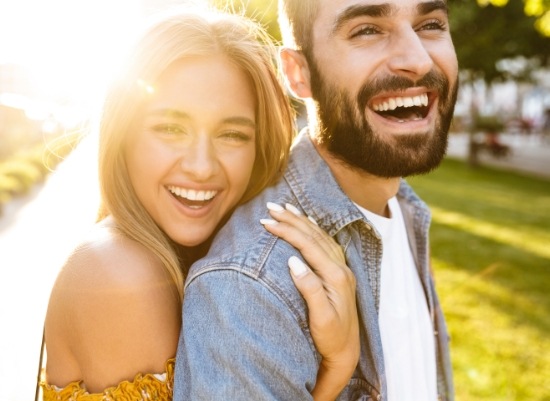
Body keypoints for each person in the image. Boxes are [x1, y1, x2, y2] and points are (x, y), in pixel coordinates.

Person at [38, 7, 360, 400]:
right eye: (170, 129)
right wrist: (338, 366)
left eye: (232, 135)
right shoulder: (121, 274)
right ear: (123, 135)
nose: (201, 166)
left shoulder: (183, 255)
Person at [173, 0, 458, 400]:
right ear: (298, 73)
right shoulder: (254, 287)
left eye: (430, 24)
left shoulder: (403, 209)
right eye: (367, 30)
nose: (417, 58)